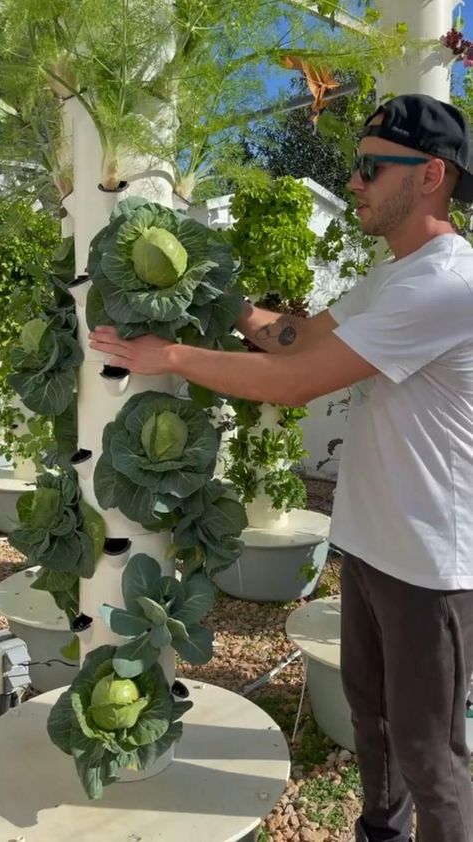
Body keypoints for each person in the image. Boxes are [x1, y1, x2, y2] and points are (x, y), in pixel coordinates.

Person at [90, 93, 473, 842]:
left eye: (369, 167)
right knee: (374, 722)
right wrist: (221, 299)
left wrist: (166, 356)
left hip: (432, 566)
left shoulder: (446, 284)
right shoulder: (393, 275)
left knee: (432, 757)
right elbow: (296, 341)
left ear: (430, 175)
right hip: (369, 543)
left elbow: (297, 383)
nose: (354, 181)